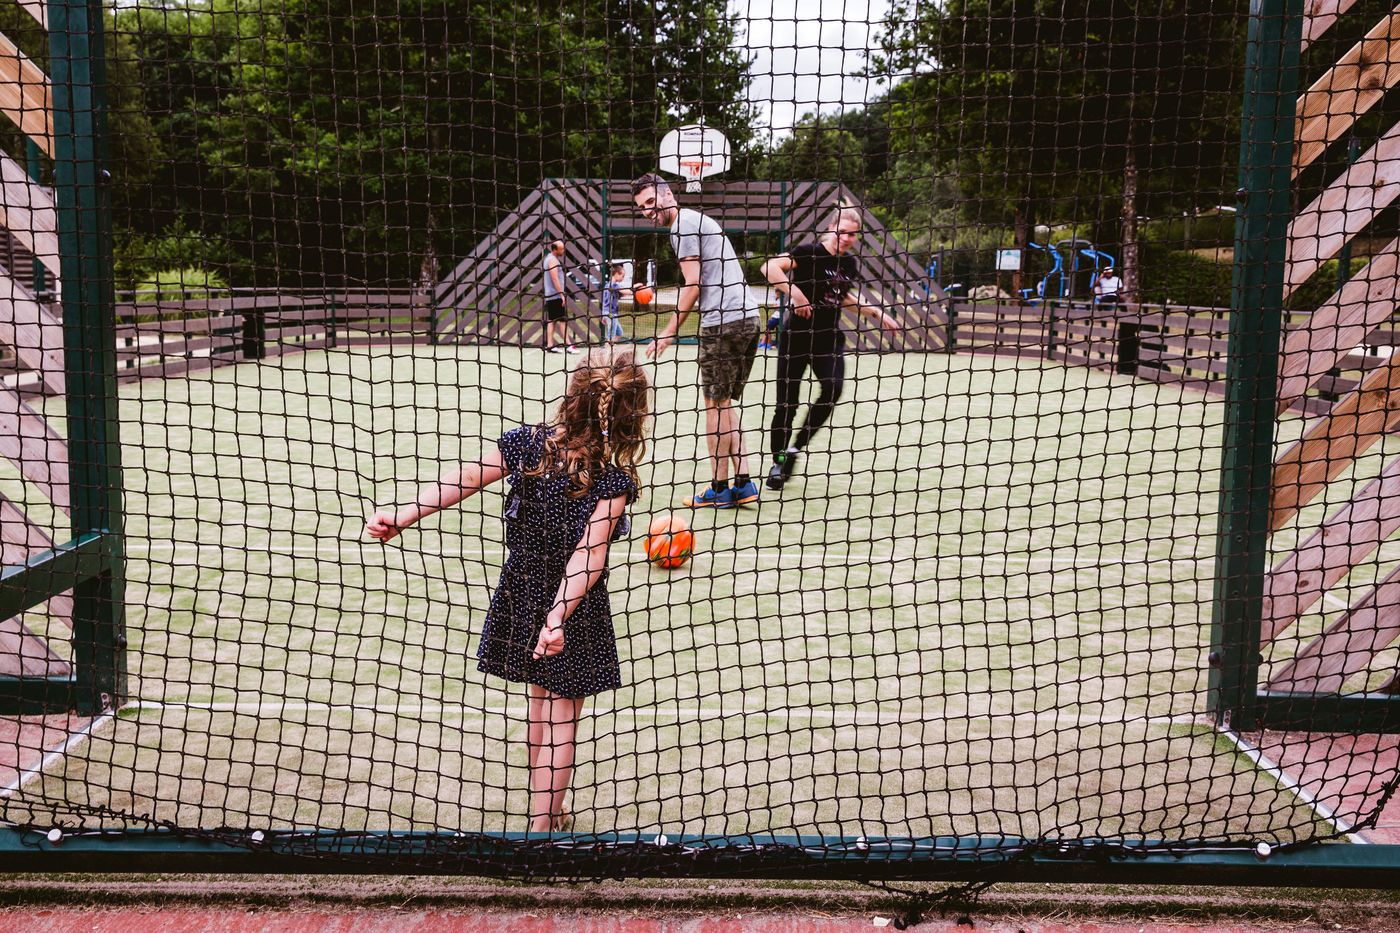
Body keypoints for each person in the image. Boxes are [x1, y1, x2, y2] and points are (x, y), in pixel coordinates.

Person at [364, 347, 649, 833]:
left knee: (540, 705)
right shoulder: (613, 478)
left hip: (523, 591)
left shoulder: (528, 445)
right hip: (573, 605)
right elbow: (589, 554)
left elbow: (466, 477)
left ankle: (547, 815)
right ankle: (542, 826)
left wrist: (404, 514)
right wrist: (557, 618)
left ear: (572, 396)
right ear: (630, 417)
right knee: (560, 715)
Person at [631, 171, 761, 509]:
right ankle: (743, 483)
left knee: (714, 405)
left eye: (651, 201)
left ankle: (719, 489)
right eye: (642, 207)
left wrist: (668, 331)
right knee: (725, 403)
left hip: (723, 323)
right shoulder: (695, 221)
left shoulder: (682, 226)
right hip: (748, 318)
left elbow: (693, 284)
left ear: (668, 195)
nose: (648, 211)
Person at [759, 206, 898, 490]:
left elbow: (840, 297)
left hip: (827, 339)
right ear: (831, 228)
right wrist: (796, 294)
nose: (846, 238)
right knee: (787, 405)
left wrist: (876, 312)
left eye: (852, 234)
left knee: (833, 388)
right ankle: (778, 461)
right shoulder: (809, 252)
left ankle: (795, 448)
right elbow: (769, 267)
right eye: (842, 232)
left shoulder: (849, 263)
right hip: (796, 337)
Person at [542, 240, 579, 354]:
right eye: (561, 249)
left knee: (552, 321)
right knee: (563, 320)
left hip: (552, 295)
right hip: (555, 296)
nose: (563, 251)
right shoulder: (552, 260)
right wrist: (561, 294)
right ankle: (569, 346)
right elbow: (554, 278)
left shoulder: (550, 258)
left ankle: (549, 346)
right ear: (554, 250)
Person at [592, 262, 630, 344]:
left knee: (619, 333)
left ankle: (610, 347)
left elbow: (604, 301)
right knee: (611, 336)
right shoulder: (614, 285)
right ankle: (608, 348)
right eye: (622, 276)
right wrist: (635, 287)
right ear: (616, 274)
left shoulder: (607, 285)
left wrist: (603, 315)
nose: (623, 278)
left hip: (607, 312)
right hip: (611, 314)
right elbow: (626, 292)